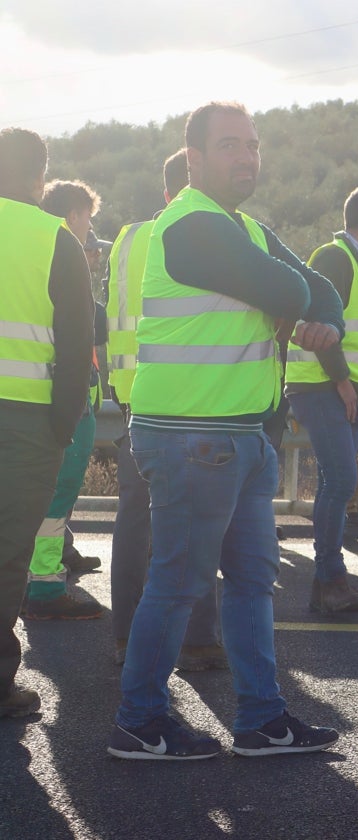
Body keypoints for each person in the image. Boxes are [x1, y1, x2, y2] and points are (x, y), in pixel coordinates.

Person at [108, 101, 344, 760]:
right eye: (231, 145)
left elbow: (321, 293)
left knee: (249, 582)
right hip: (191, 436)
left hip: (241, 435)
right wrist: (297, 305)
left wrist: (323, 321)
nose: (247, 157)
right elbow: (294, 294)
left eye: (254, 145)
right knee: (180, 584)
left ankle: (262, 721)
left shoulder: (245, 228)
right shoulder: (191, 227)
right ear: (195, 159)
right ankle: (139, 720)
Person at [106, 149, 225, 669]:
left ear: (164, 191)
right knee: (198, 520)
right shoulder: (206, 232)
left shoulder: (128, 239)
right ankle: (197, 642)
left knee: (134, 518)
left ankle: (126, 636)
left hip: (135, 396)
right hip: (190, 396)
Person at [0, 127, 94, 716]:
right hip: (28, 425)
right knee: (8, 555)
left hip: (29, 424)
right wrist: (62, 430)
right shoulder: (54, 239)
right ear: (41, 178)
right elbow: (77, 341)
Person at [286, 186, 358, 612]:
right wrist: (345, 384)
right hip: (321, 386)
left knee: (340, 481)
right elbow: (320, 325)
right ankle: (329, 580)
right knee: (340, 481)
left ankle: (330, 582)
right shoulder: (335, 257)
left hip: (343, 389)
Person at [21, 180, 107, 620]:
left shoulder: (30, 245)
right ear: (73, 214)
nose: (89, 230)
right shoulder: (57, 248)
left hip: (39, 400)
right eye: (88, 219)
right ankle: (45, 590)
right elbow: (72, 342)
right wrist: (67, 418)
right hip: (54, 404)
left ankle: (51, 567)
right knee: (52, 501)